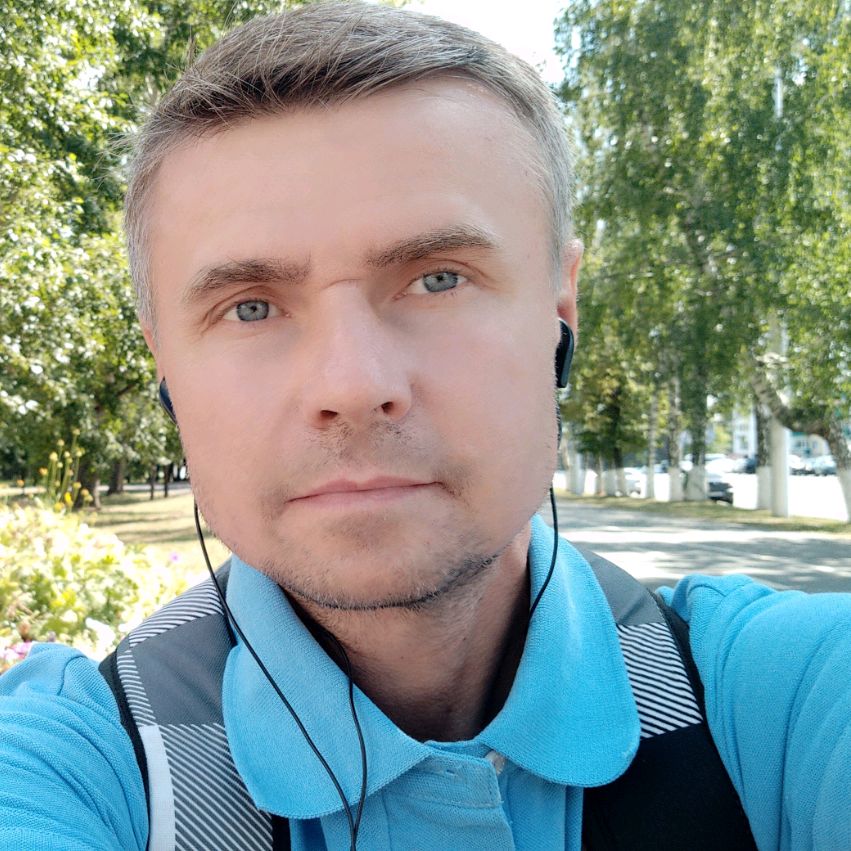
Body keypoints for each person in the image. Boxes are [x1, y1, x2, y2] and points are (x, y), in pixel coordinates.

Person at [1, 4, 849, 850]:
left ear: (558, 312)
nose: (352, 385)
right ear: (166, 368)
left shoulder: (787, 702)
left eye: (438, 278)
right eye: (249, 306)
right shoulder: (73, 765)